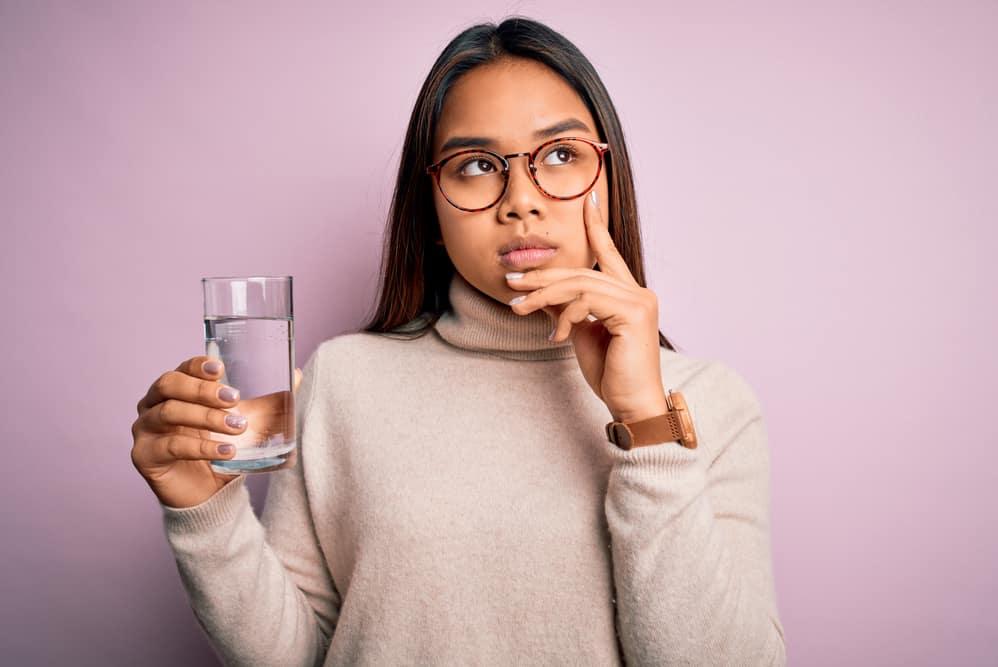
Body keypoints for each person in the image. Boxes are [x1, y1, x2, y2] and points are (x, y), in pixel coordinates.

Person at [130, 16, 786, 666]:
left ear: (609, 179)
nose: (521, 199)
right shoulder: (343, 380)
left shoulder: (708, 402)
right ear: (433, 211)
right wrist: (204, 512)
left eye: (560, 155)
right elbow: (304, 654)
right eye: (476, 165)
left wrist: (645, 420)